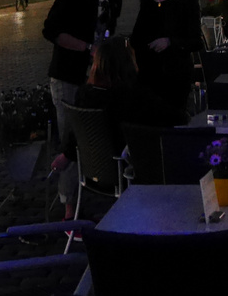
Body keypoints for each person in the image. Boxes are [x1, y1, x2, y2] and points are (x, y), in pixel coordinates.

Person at [51, 36, 188, 213]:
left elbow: (76, 133)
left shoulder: (85, 95)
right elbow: (177, 118)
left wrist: (66, 155)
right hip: (129, 171)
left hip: (94, 173)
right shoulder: (134, 96)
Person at [41, 0, 122, 143]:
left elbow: (110, 29)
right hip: (67, 73)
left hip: (98, 75)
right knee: (70, 137)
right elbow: (50, 30)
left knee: (94, 137)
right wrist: (88, 48)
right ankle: (67, 174)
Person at [129, 0, 203, 114]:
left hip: (175, 74)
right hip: (149, 72)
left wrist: (170, 42)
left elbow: (195, 40)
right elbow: (137, 34)